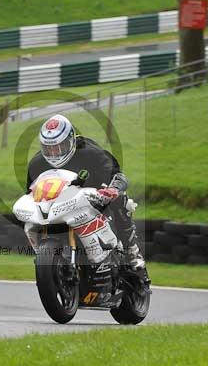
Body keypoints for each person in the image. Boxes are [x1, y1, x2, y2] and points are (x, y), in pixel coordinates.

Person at [26, 114, 145, 270]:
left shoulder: (91, 152)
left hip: (95, 202)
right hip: (58, 209)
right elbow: (30, 194)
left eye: (58, 147)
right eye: (48, 148)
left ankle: (132, 251)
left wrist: (112, 190)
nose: (54, 153)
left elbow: (118, 175)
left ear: (71, 141)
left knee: (121, 199)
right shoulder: (37, 164)